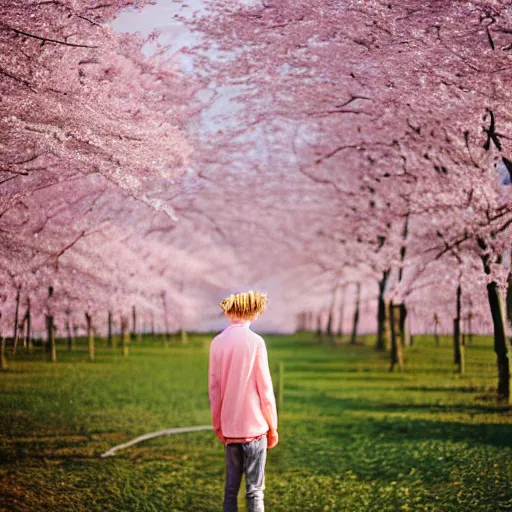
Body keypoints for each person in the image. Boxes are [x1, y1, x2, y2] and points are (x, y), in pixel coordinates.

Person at [208, 290, 279, 512]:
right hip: (255, 429)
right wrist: (273, 427)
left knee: (230, 490)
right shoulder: (256, 342)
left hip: (231, 430)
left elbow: (214, 389)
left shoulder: (217, 343)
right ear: (252, 312)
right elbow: (265, 390)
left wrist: (218, 425)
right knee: (255, 491)